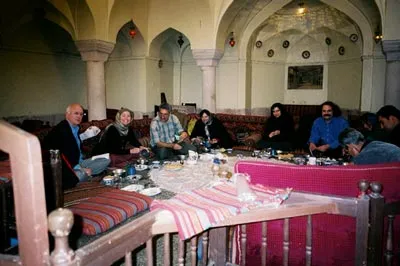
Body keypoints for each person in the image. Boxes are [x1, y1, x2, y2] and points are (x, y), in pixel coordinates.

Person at [44, 103, 110, 188]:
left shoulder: (76, 128)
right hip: (66, 167)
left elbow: (77, 148)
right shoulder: (62, 130)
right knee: (80, 174)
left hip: (80, 162)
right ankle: (85, 174)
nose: (79, 116)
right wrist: (80, 168)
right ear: (67, 114)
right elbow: (64, 156)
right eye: (76, 113)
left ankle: (87, 174)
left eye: (81, 114)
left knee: (106, 160)